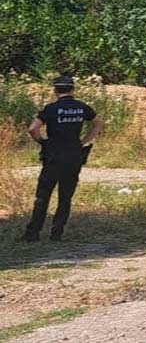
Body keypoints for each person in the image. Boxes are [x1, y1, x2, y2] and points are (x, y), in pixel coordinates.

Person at [18, 75, 104, 242]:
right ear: (73, 89)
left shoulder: (51, 109)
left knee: (43, 196)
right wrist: (84, 141)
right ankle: (56, 234)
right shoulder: (81, 107)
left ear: (55, 90)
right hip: (74, 156)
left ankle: (32, 234)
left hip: (53, 157)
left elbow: (33, 128)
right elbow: (98, 123)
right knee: (65, 197)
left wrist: (42, 142)